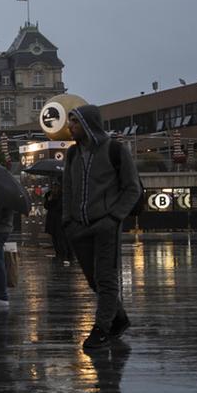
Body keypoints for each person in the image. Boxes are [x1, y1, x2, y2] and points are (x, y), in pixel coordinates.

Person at [63, 105, 142, 349]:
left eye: (75, 122)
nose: (70, 127)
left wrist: (114, 218)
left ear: (88, 125)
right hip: (79, 227)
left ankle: (102, 327)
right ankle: (118, 318)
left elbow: (133, 188)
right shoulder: (72, 154)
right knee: (93, 280)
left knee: (106, 278)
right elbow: (67, 188)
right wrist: (68, 220)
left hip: (105, 225)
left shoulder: (115, 150)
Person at [43, 183, 72, 264]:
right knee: (54, 237)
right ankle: (58, 253)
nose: (54, 189)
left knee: (61, 237)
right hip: (51, 220)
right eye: (53, 187)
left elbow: (59, 207)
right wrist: (49, 200)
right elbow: (46, 206)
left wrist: (52, 201)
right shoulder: (48, 195)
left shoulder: (62, 196)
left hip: (59, 220)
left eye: (56, 187)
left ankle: (64, 253)